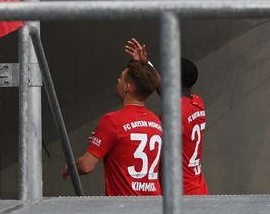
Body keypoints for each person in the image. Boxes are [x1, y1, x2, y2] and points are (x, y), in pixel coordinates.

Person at [63, 59, 163, 196]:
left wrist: (70, 167)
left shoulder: (112, 120)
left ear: (127, 87)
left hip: (124, 205)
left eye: (121, 78)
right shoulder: (156, 122)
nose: (118, 80)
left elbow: (86, 166)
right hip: (154, 204)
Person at [125, 38, 208, 195]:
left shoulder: (174, 114)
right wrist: (146, 63)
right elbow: (165, 90)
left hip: (181, 195)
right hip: (198, 189)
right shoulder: (197, 103)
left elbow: (155, 149)